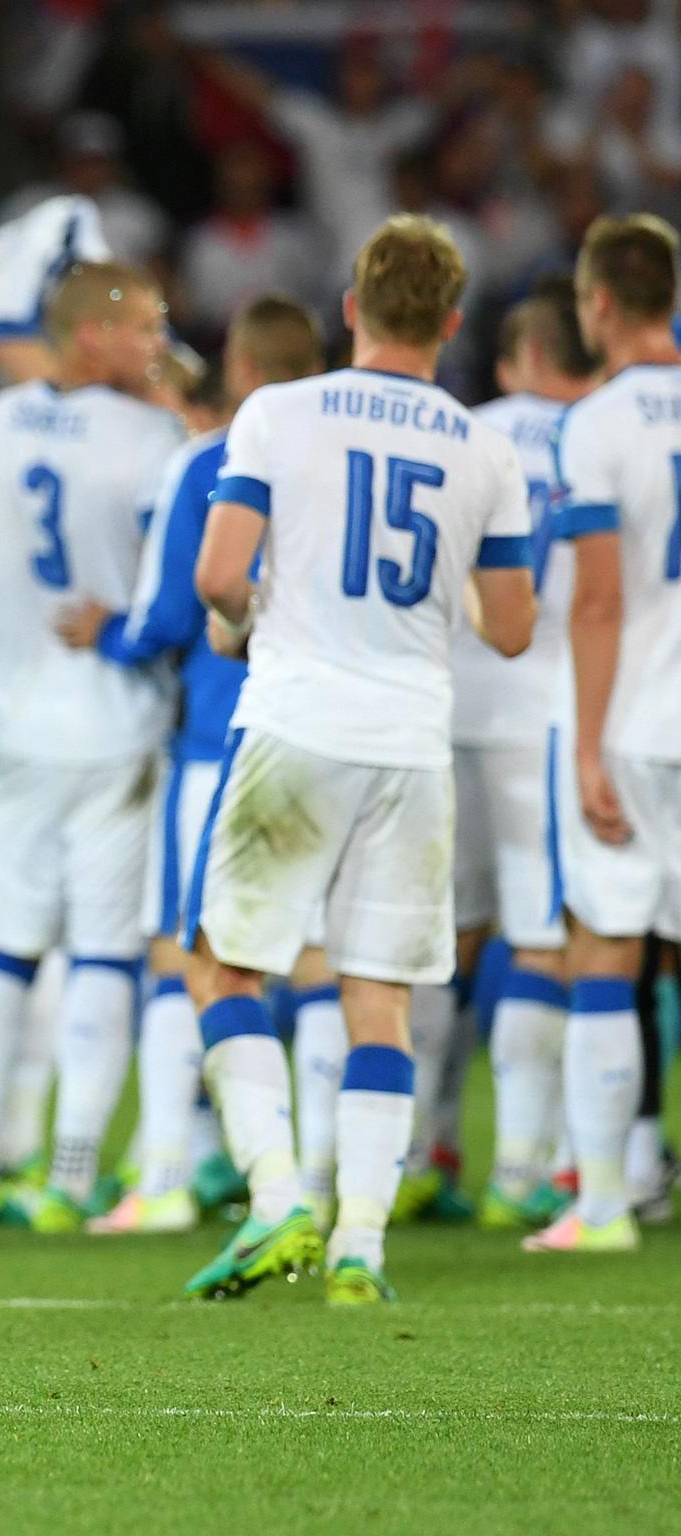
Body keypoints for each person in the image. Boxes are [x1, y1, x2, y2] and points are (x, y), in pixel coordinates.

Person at [181, 214, 537, 1305]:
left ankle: (276, 1197)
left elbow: (218, 574)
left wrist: (242, 622)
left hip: (297, 723)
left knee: (222, 966)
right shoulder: (484, 448)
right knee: (377, 999)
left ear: (350, 308)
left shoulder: (278, 412)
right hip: (411, 744)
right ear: (451, 323)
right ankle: (360, 1249)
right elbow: (513, 628)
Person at [50, 294, 328, 1235]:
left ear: (241, 369)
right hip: (333, 741)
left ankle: (164, 1174)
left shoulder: (210, 464)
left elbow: (170, 614)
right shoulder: (346, 462)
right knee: (319, 963)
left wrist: (108, 633)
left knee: (184, 955)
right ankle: (320, 1179)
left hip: (220, 741)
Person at [0, 262, 185, 1234]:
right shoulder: (152, 439)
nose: (156, 345)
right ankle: (69, 1178)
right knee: (104, 956)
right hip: (118, 724)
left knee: (7, 950)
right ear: (90, 334)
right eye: (143, 327)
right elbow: (173, 588)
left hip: (18, 726)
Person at [527, 214, 681, 1255]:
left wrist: (584, 748)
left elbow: (595, 602)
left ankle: (603, 1206)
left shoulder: (592, 423)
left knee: (605, 949)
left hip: (630, 719)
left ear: (596, 304)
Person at [444, 281, 600, 1233]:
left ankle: (420, 1153)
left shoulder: (461, 433)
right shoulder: (594, 435)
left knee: (441, 938)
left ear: (519, 359)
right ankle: (520, 1167)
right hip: (543, 712)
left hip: (444, 707)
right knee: (542, 937)